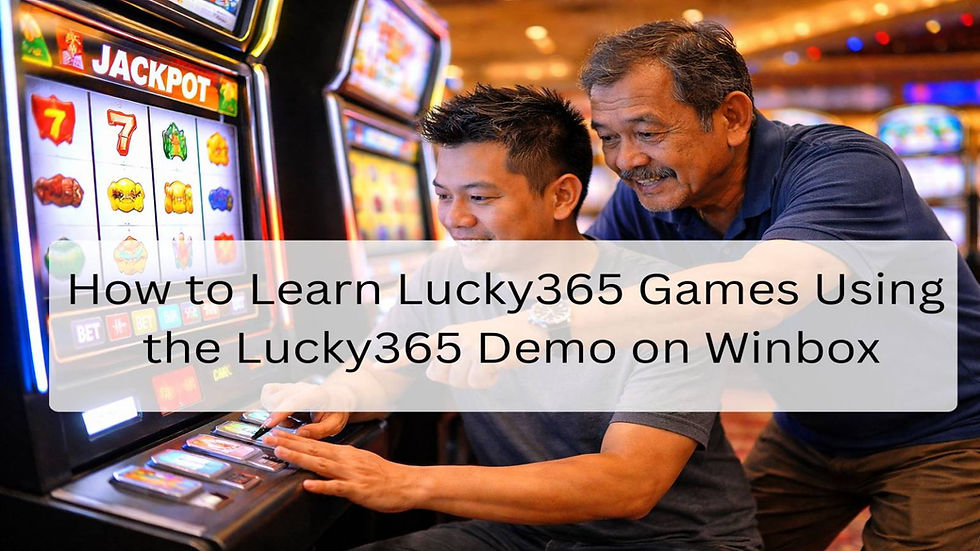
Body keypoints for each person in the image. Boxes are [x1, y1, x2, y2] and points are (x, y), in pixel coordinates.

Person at [262, 85, 763, 550]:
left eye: (480, 198)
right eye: (443, 195)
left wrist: (407, 483)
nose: (455, 218)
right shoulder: (447, 273)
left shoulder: (662, 301)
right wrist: (340, 395)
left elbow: (629, 484)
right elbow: (384, 370)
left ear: (562, 196)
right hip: (528, 531)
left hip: (671, 540)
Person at [580, 20, 980, 551]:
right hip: (807, 433)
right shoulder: (651, 196)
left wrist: (543, 324)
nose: (626, 160)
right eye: (609, 138)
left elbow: (759, 293)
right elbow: (578, 281)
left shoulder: (844, 164)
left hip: (947, 432)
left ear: (733, 117)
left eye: (648, 133)